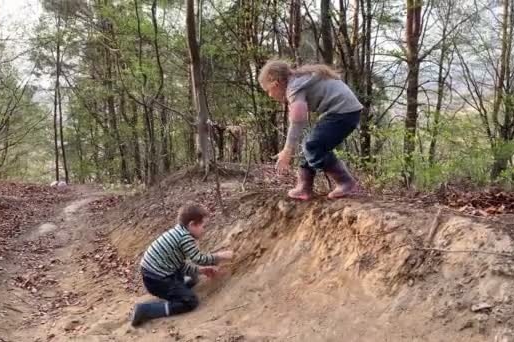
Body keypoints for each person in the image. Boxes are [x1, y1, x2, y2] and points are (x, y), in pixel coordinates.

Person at [258, 60, 363, 200]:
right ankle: (304, 187)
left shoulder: (294, 87)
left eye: (268, 91)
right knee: (310, 144)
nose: (270, 95)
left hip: (344, 112)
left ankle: (346, 182)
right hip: (344, 111)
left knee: (312, 145)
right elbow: (299, 117)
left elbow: (298, 120)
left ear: (276, 83)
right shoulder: (297, 82)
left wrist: (288, 150)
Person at [130, 203, 233, 327]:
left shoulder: (178, 231)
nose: (204, 230)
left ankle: (178, 287)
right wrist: (220, 256)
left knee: (193, 278)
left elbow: (178, 264)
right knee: (190, 301)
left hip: (156, 274)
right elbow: (198, 258)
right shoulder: (185, 237)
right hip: (157, 280)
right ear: (192, 224)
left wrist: (200, 270)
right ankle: (145, 310)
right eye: (203, 226)